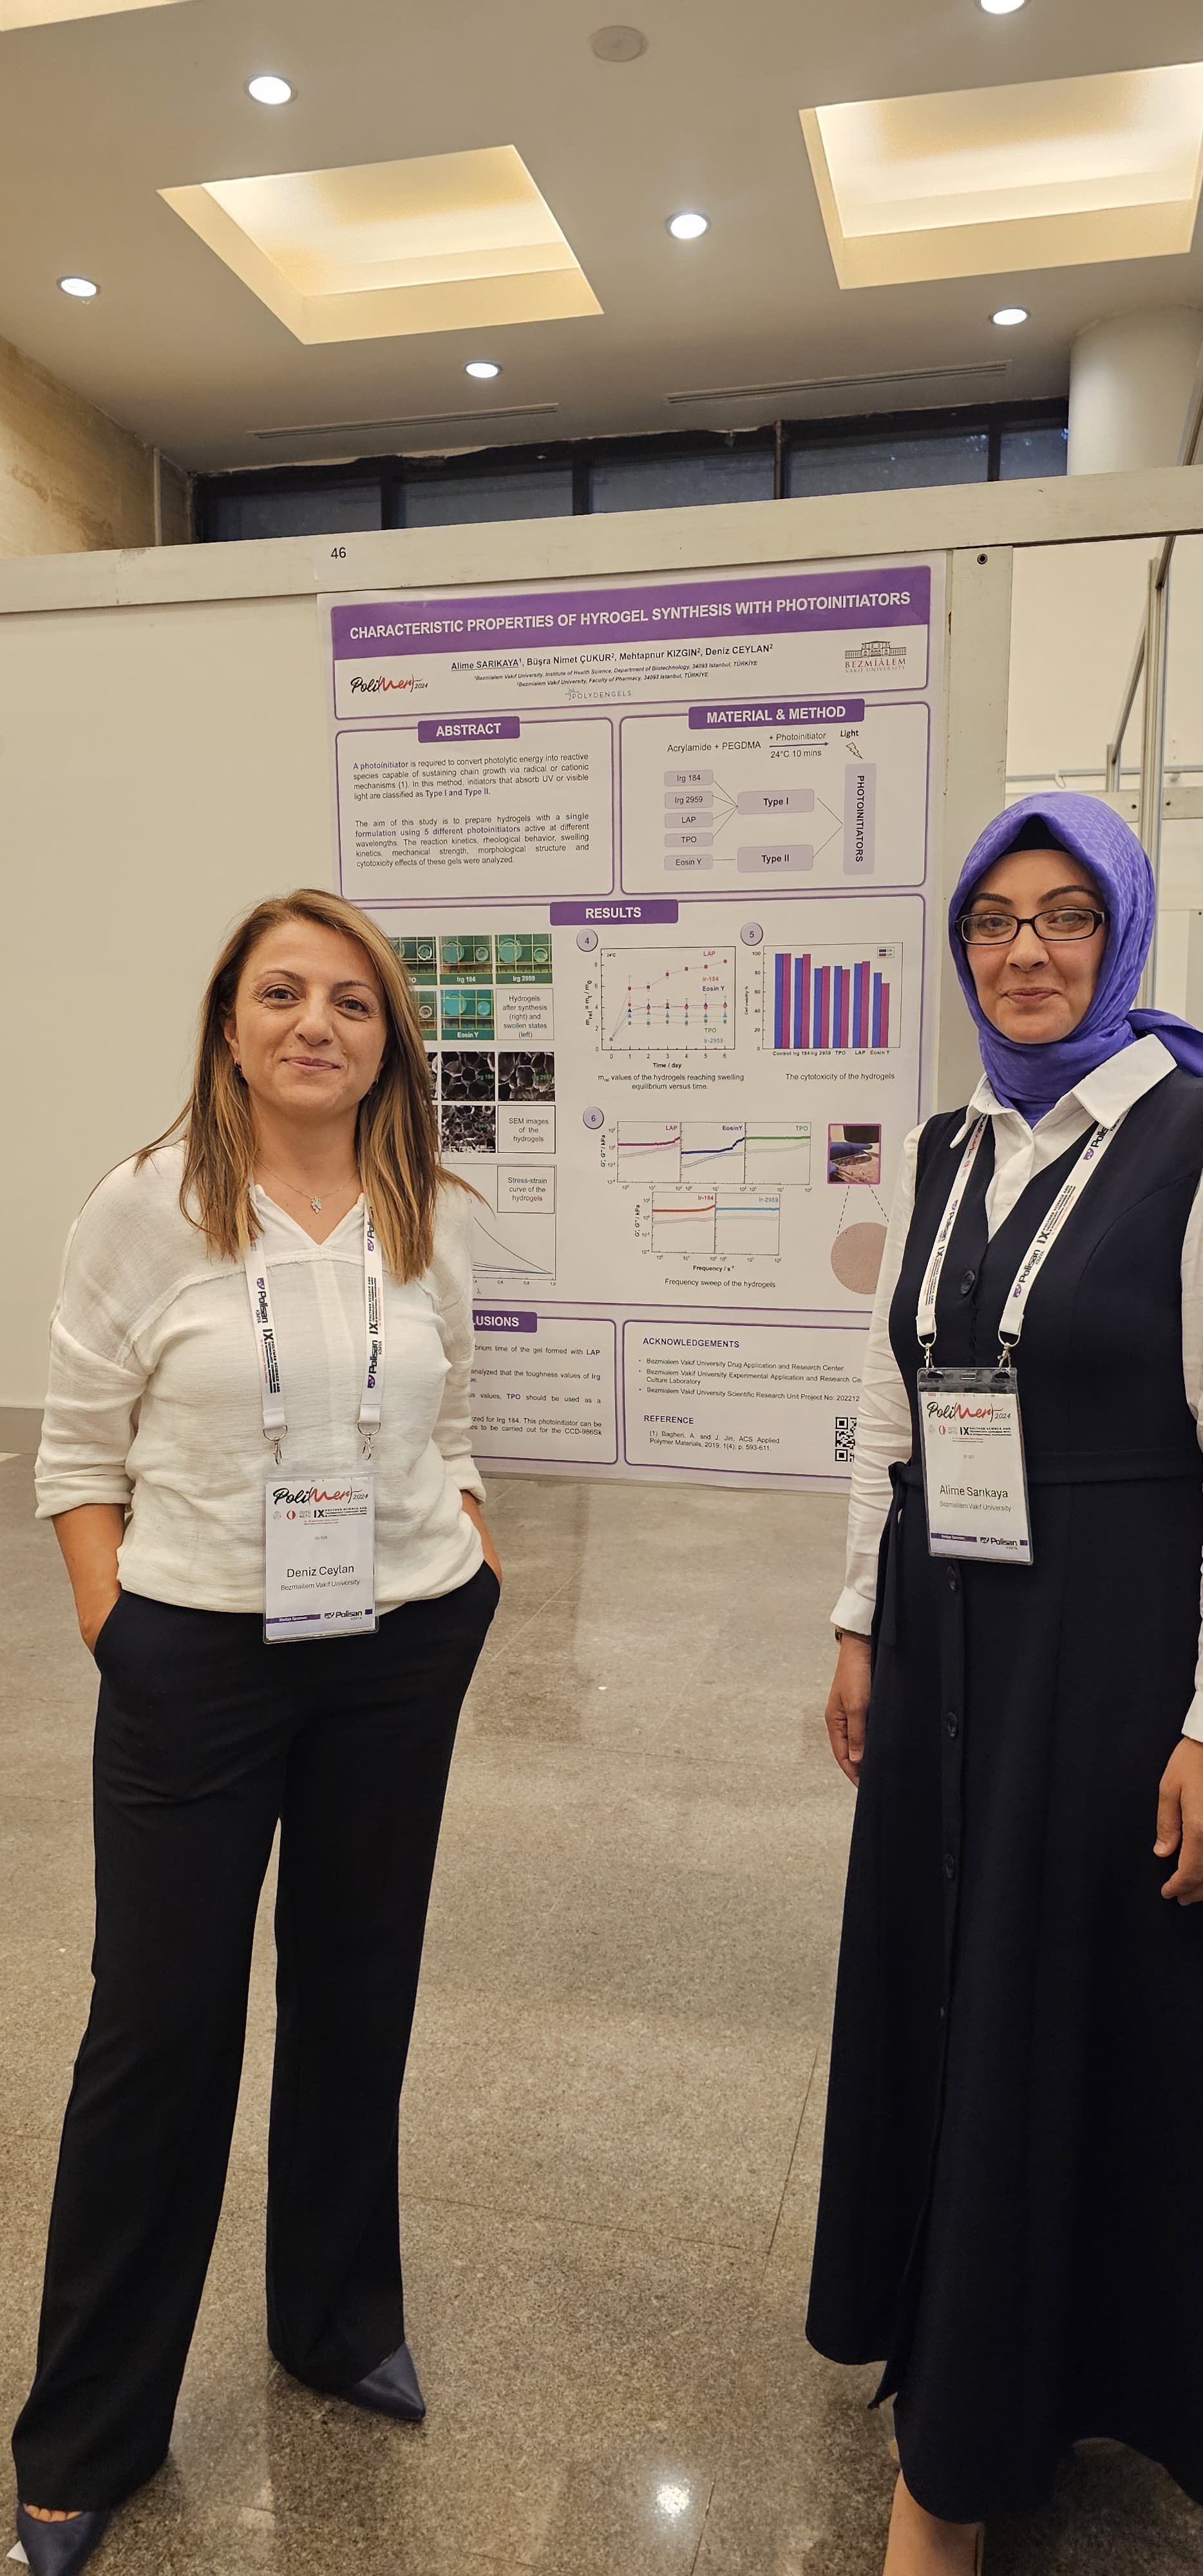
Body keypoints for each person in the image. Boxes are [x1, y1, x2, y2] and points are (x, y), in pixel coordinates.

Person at [12, 889, 501, 2575]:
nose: (316, 1025)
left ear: (388, 1043)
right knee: (157, 2029)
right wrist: (124, 1633)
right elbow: (76, 1457)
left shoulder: (425, 1208)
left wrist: (469, 1557)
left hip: (397, 1645)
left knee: (358, 1995)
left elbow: (455, 1417)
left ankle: (335, 2322)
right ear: (228, 1025)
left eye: (352, 1002)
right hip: (200, 1660)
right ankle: (87, 2430)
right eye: (282, 994)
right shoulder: (144, 1209)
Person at [806, 794, 1203, 2575]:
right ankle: (960, 2340)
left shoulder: (1188, 1132)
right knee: (951, 1977)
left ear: (1121, 936)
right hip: (948, 1617)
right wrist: (855, 1619)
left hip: (1109, 1642)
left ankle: (968, 2458)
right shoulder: (950, 1142)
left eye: (1064, 918)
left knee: (1067, 1996)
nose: (1025, 953)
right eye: (992, 921)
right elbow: (892, 1398)